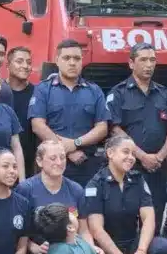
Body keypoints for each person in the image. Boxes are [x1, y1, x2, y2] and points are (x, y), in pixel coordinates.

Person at [107, 42, 167, 218]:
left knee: (156, 213)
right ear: (131, 63)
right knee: (127, 216)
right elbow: (115, 129)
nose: (149, 65)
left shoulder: (165, 94)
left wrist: (160, 157)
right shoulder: (118, 93)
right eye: (143, 60)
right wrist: (142, 156)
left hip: (157, 168)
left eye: (152, 60)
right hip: (128, 167)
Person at [28, 39, 110, 185]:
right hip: (51, 165)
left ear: (82, 61)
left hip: (86, 165)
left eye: (77, 58)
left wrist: (76, 143)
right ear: (57, 61)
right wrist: (66, 150)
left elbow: (102, 128)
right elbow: (38, 125)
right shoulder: (43, 89)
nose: (72, 63)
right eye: (66, 58)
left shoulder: (94, 90)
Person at [17, 139, 89, 254]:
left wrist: (91, 252)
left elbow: (84, 230)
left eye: (62, 157)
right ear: (39, 161)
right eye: (53, 158)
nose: (59, 162)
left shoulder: (76, 189)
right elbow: (16, 229)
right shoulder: (26, 189)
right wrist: (33, 247)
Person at [4, 46, 36, 176]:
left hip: (30, 164)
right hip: (1, 160)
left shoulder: (38, 93)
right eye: (19, 61)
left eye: (29, 62)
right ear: (7, 65)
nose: (25, 66)